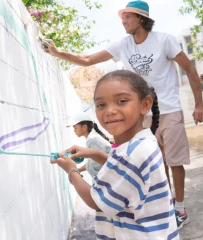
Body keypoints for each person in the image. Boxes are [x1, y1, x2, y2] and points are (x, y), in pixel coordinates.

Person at [43, 0, 203, 229]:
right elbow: (88, 60)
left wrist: (199, 104)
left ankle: (180, 208)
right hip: (141, 114)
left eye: (127, 17)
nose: (123, 22)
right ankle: (165, 204)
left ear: (141, 18)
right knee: (156, 163)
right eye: (122, 19)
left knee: (175, 161)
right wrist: (58, 54)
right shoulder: (123, 45)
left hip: (168, 109)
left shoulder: (165, 40)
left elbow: (189, 69)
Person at [51, 70, 179, 239]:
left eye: (121, 101)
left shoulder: (132, 154)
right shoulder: (140, 142)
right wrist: (93, 154)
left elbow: (96, 201)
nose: (110, 110)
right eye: (101, 105)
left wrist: (72, 171)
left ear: (145, 104)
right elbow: (121, 167)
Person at [66, 111, 111, 177]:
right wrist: (77, 170)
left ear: (84, 127)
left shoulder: (93, 140)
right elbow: (93, 161)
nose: (74, 130)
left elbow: (98, 166)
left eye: (75, 128)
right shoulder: (92, 139)